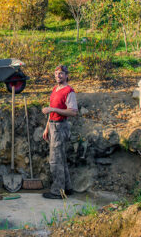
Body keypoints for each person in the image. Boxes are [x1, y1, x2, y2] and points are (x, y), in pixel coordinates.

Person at [41, 64, 78, 199]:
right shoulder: (55, 89)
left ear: (67, 75)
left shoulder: (69, 91)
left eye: (61, 73)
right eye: (56, 73)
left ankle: (57, 192)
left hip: (60, 127)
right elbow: (52, 108)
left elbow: (73, 112)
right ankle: (67, 188)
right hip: (53, 126)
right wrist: (47, 128)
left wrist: (53, 110)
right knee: (61, 158)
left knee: (55, 161)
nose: (58, 75)